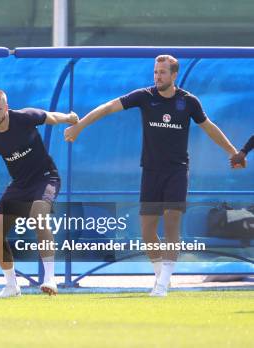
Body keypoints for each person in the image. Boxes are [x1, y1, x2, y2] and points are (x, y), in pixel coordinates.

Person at [64, 54, 241, 297]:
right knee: (147, 230)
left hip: (177, 171)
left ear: (174, 75)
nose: (157, 76)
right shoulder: (144, 97)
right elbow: (108, 107)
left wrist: (233, 152)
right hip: (150, 171)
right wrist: (80, 125)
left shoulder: (189, 102)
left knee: (171, 225)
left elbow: (209, 126)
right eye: (156, 72)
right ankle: (161, 276)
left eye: (163, 72)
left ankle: (162, 284)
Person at [0, 89, 78, 298]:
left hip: (45, 177)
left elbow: (52, 117)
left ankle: (50, 279)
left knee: (38, 217)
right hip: (19, 184)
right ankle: (11, 286)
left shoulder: (25, 117)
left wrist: (70, 118)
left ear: (6, 107)